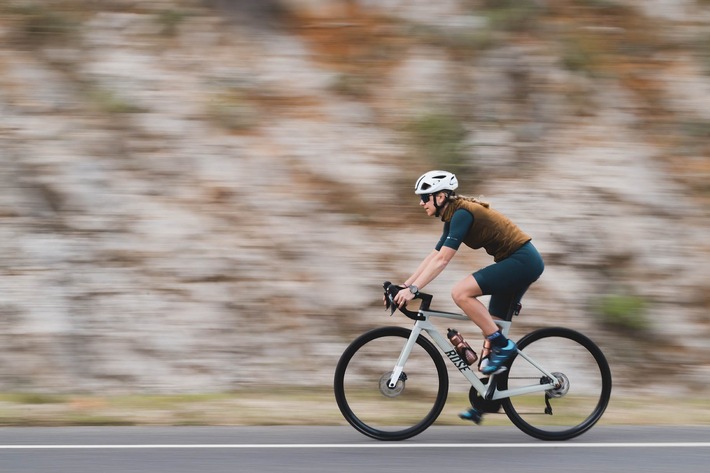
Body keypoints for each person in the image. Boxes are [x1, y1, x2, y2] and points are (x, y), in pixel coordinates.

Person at [392, 170, 544, 424]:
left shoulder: (462, 213)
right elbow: (433, 255)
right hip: (515, 262)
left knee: (460, 292)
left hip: (522, 261)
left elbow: (442, 260)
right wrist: (404, 286)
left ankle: (503, 345)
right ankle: (488, 400)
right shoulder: (453, 216)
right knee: (488, 351)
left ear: (440, 196)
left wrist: (414, 290)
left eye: (424, 197)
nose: (421, 202)